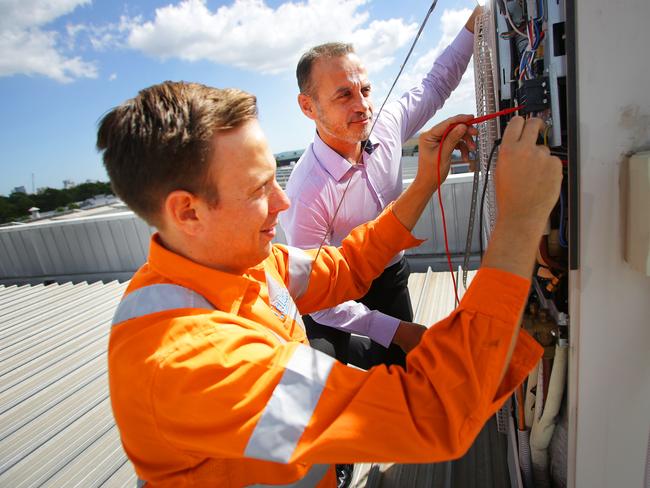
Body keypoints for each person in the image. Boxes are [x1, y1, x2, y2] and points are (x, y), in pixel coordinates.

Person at [99, 80, 560, 487]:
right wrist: (520, 219)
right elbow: (432, 414)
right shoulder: (192, 368)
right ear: (187, 212)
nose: (282, 201)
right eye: (260, 189)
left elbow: (345, 266)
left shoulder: (236, 263)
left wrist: (424, 182)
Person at [279, 7, 481, 369]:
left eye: (366, 90)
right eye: (344, 95)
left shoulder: (385, 125)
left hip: (389, 275)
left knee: (400, 368)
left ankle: (379, 356)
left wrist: (474, 24)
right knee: (320, 364)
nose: (363, 106)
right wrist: (397, 330)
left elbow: (436, 84)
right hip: (331, 292)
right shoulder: (304, 192)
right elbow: (318, 297)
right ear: (307, 107)